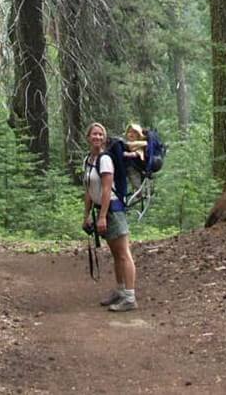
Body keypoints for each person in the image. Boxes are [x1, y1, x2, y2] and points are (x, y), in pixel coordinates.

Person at [83, 121, 137, 312]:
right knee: (116, 254)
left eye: (100, 134)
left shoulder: (105, 160)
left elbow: (106, 189)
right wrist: (87, 215)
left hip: (113, 210)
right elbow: (89, 190)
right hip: (101, 210)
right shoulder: (88, 160)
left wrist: (103, 217)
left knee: (123, 253)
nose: (97, 137)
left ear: (104, 138)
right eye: (94, 134)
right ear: (88, 137)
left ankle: (130, 297)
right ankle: (120, 291)